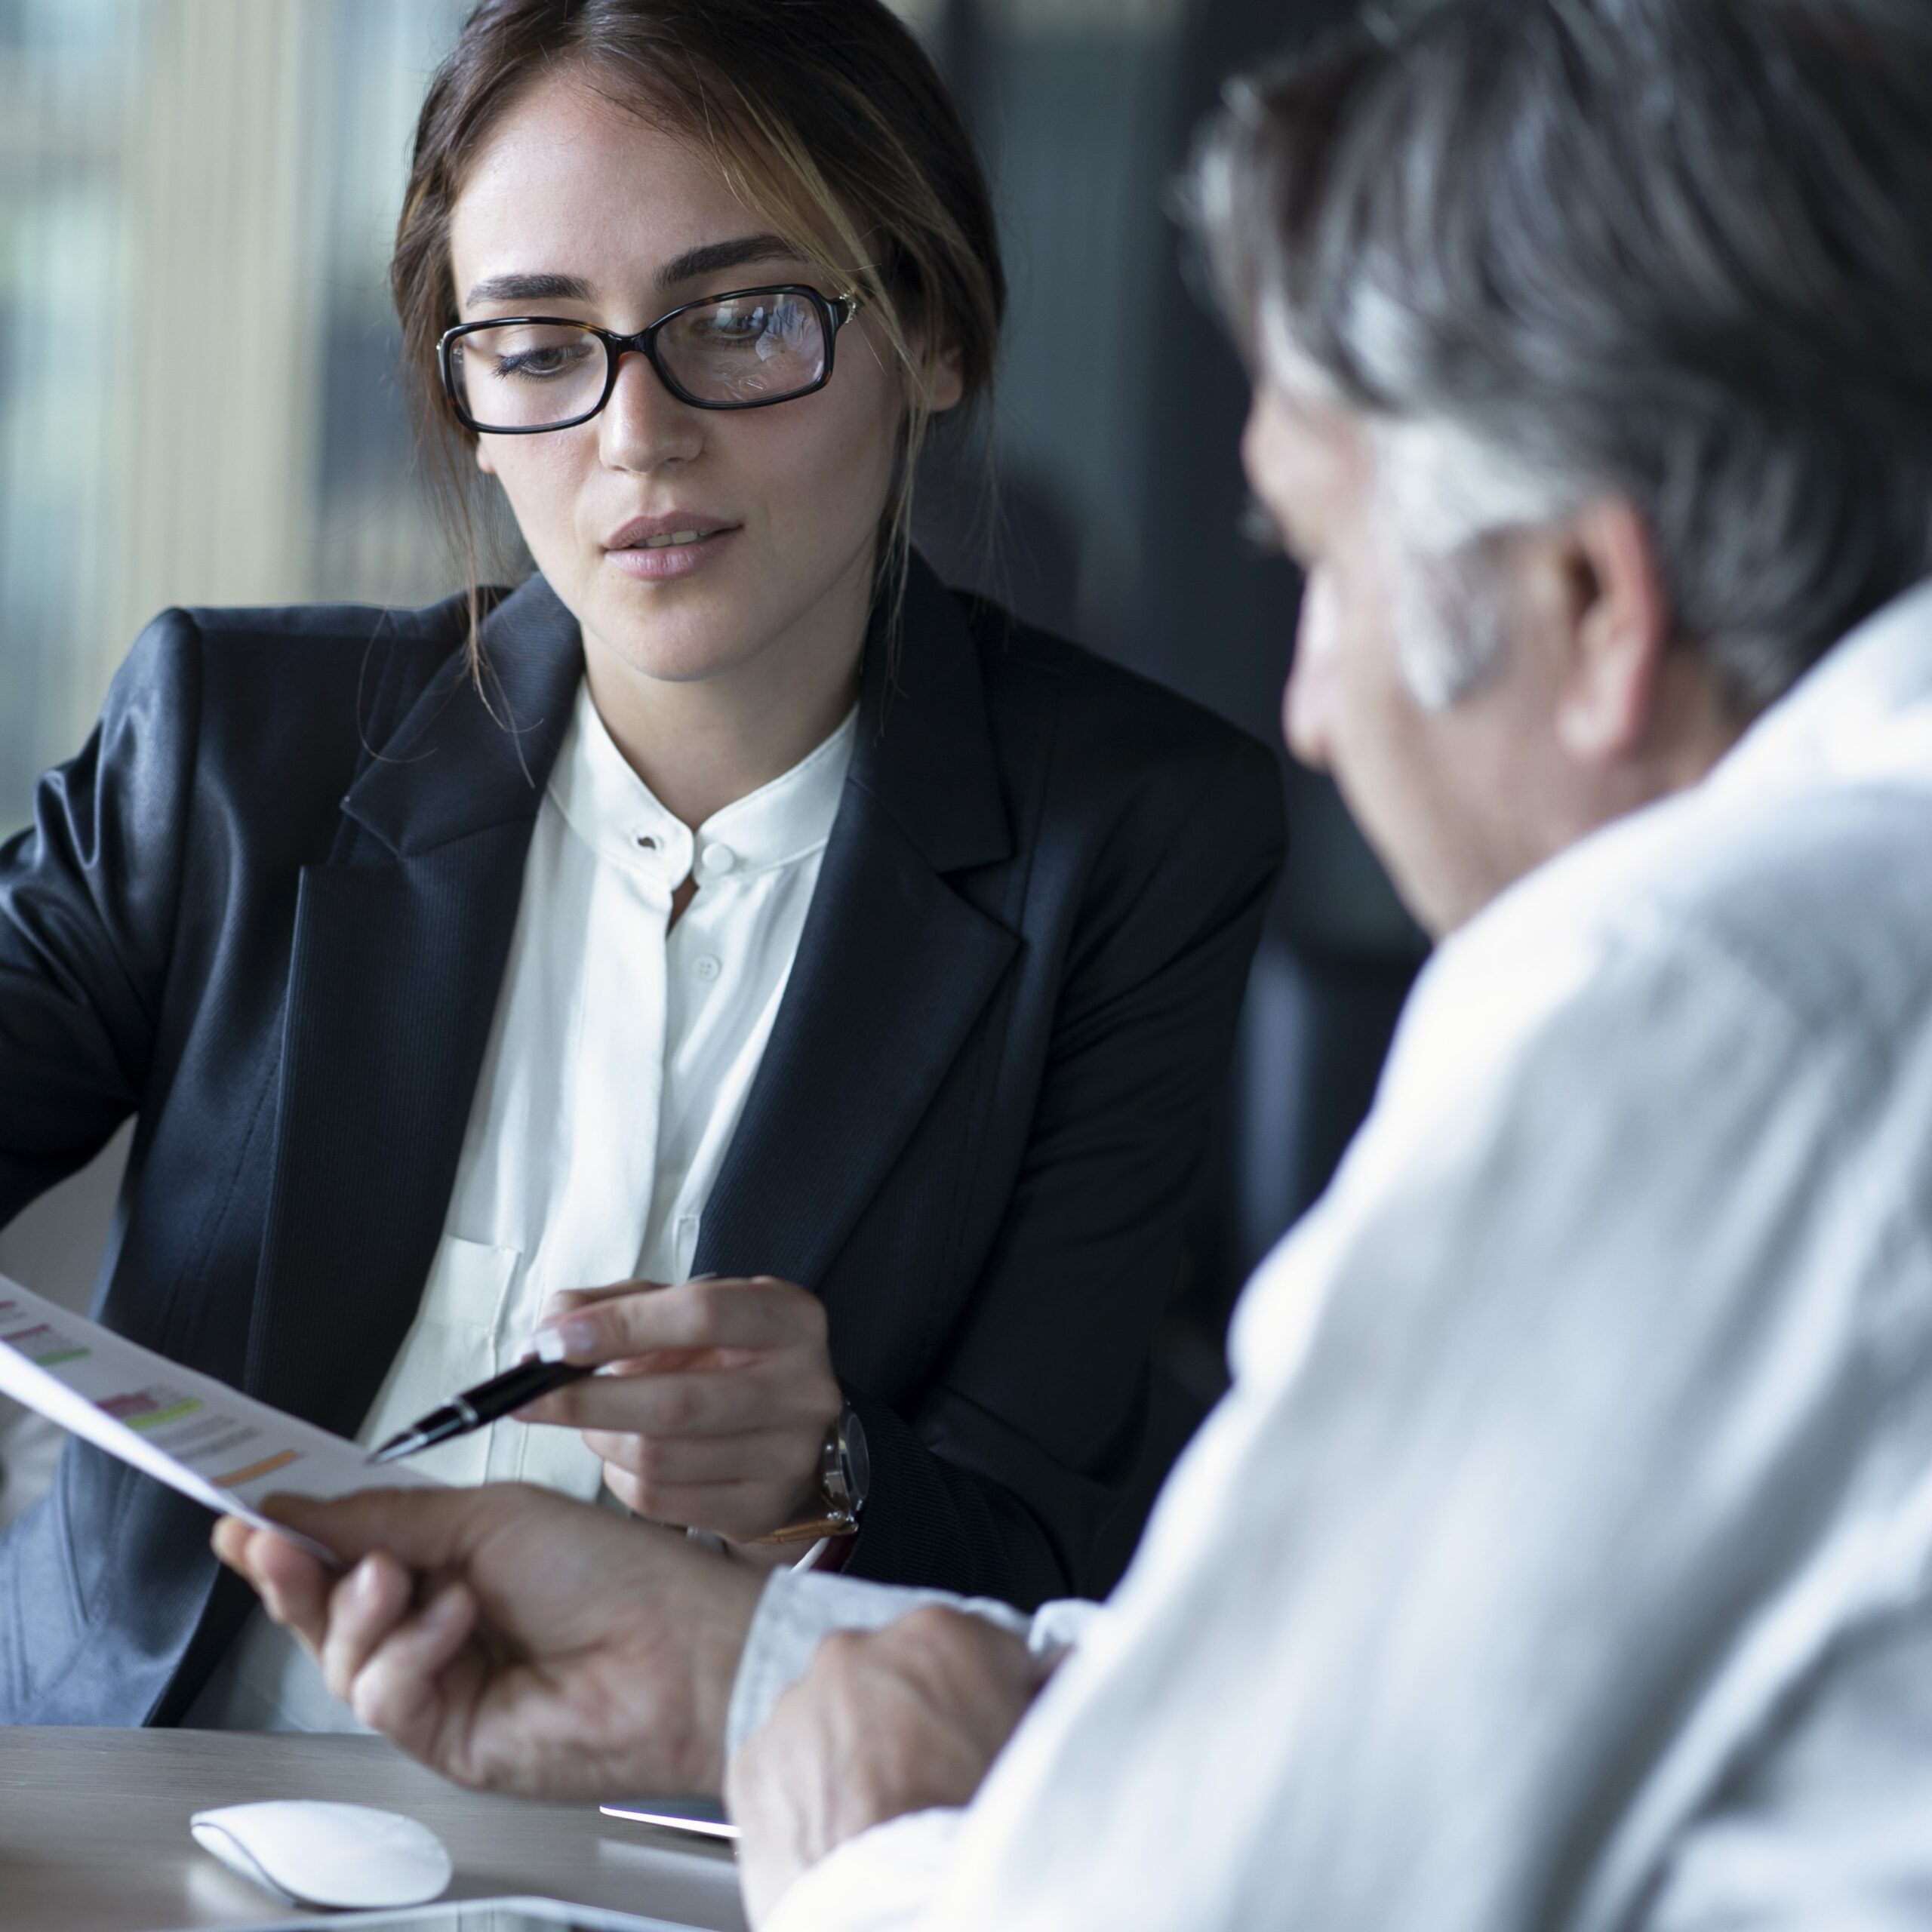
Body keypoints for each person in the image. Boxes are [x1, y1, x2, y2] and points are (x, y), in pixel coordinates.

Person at [220, 0, 1932, 1924]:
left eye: (1326, 569)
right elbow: (1334, 1713)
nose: (1310, 702)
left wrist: (858, 1844)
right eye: (537, 343)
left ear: (1587, 606)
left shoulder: (1695, 1007)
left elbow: (1210, 1882)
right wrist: (739, 1674)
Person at [0, 0, 1285, 1730]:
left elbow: (1049, 1549)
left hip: (686, 1858)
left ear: (927, 330)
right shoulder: (232, 744)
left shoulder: (1131, 839)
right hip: (140, 1803)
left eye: (742, 319)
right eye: (536, 345)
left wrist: (822, 1471)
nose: (636, 435)